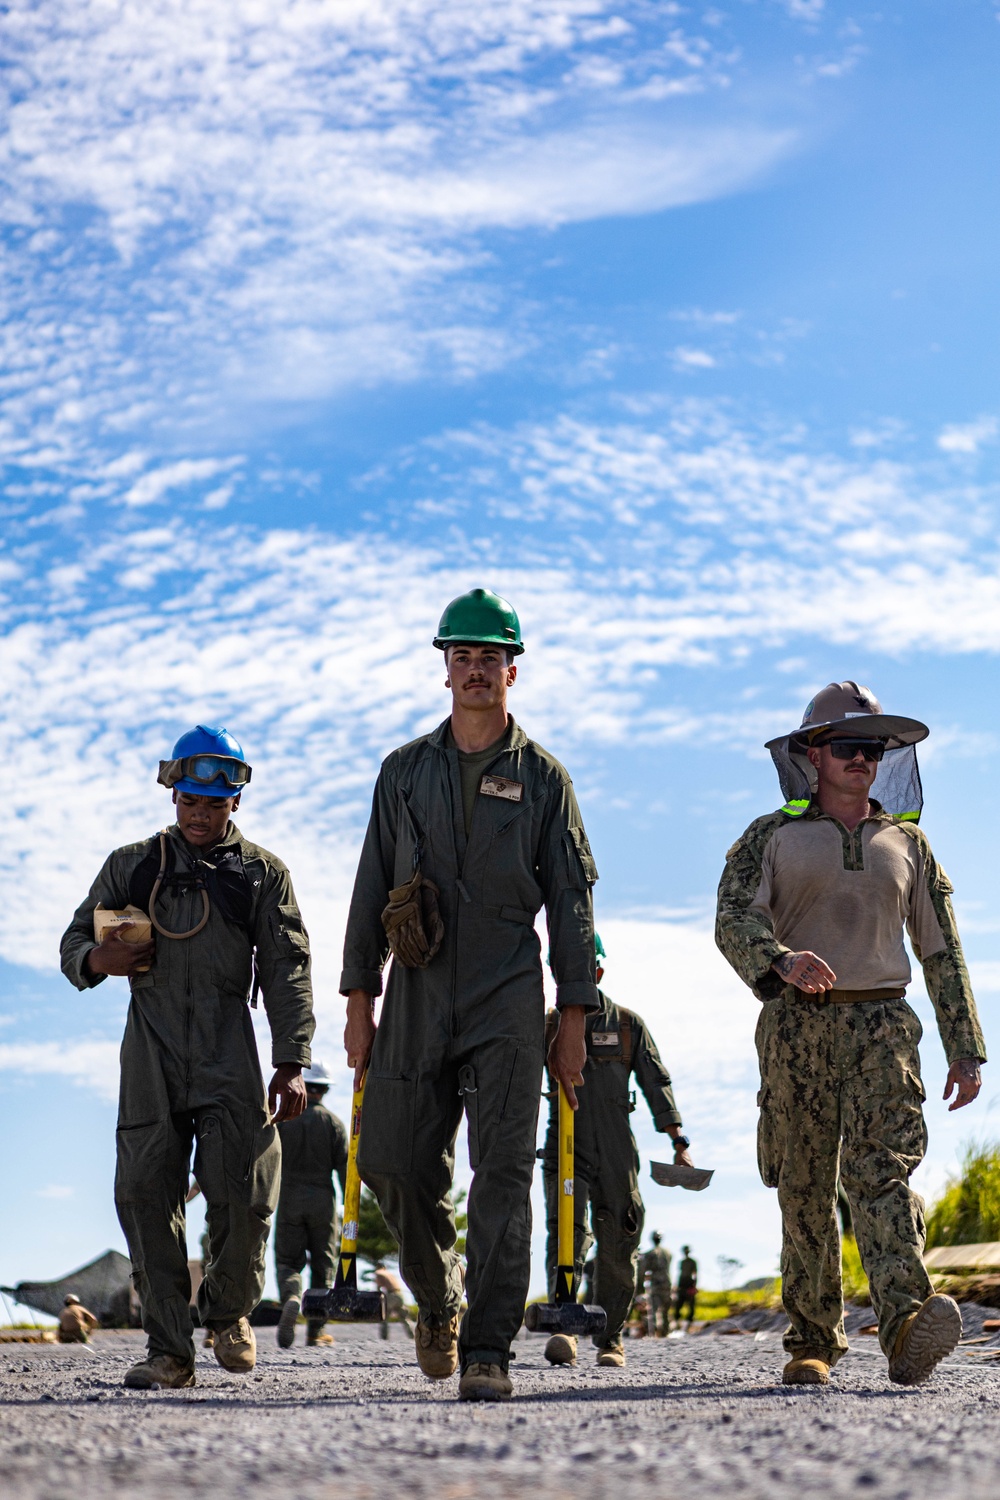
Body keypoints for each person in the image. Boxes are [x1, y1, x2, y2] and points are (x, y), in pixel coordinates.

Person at [342, 588, 600, 1402]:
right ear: (445, 668)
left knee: (498, 1175)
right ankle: (441, 1297)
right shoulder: (403, 771)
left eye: (491, 656)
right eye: (464, 656)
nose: (477, 669)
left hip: (508, 995)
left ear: (512, 671)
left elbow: (571, 903)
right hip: (417, 991)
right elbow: (370, 884)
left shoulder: (544, 778)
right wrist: (359, 998)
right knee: (390, 1158)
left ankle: (487, 1347)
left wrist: (575, 1013)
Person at [716, 681, 986, 1387]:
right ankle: (812, 1341)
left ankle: (904, 1324)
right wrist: (780, 959)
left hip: (884, 1026)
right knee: (804, 1184)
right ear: (813, 754)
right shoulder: (769, 838)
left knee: (881, 1173)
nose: (862, 758)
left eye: (872, 747)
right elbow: (732, 921)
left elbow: (942, 951)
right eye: (846, 746)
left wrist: (965, 1047)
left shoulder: (908, 845)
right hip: (795, 1024)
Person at [61, 726, 315, 1391]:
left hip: (231, 1050)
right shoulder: (133, 866)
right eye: (189, 801)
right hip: (151, 1051)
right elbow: (72, 943)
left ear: (235, 802)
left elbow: (288, 967)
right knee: (146, 1193)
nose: (199, 816)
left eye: (214, 804)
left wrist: (291, 1061)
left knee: (244, 1187)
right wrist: (98, 958)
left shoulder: (261, 873)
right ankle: (169, 1350)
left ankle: (229, 1311)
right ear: (172, 794)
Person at [541, 936, 692, 1368]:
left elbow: (655, 1083)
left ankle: (610, 1336)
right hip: (564, 1147)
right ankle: (565, 1326)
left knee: (619, 1240)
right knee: (565, 1234)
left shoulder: (627, 1025)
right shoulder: (546, 1026)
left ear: (600, 973)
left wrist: (678, 1141)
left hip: (616, 1149)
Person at [274, 1060, 348, 1349]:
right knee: (323, 1264)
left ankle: (292, 1295)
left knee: (287, 1261)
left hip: (289, 1198)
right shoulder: (334, 1124)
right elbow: (345, 1171)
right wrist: (348, 1209)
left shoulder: (283, 1121)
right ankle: (315, 1331)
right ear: (325, 1090)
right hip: (323, 1202)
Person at [641, 1232, 673, 1337]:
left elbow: (645, 1269)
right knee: (666, 1309)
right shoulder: (668, 1252)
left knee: (654, 1308)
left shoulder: (650, 1253)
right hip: (667, 1283)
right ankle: (665, 1331)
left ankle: (653, 1331)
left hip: (656, 1284)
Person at [374, 1263, 416, 1339]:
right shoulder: (389, 1273)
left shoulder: (379, 1273)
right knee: (404, 1317)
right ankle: (412, 1335)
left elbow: (379, 1286)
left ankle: (384, 1337)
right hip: (399, 1294)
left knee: (384, 1315)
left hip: (391, 1295)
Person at [674, 1246, 697, 1328]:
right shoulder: (681, 1262)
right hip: (681, 1285)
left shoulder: (693, 1262)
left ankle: (689, 1323)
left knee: (691, 1306)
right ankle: (677, 1323)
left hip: (689, 1285)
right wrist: (676, 1286)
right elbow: (679, 1274)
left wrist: (694, 1286)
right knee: (678, 1305)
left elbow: (695, 1274)